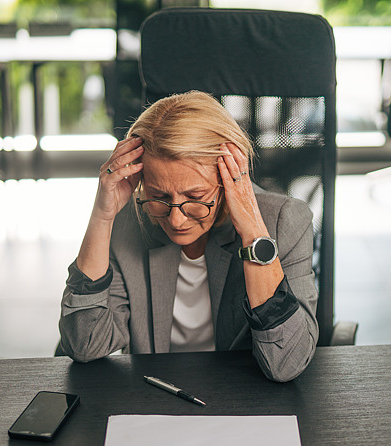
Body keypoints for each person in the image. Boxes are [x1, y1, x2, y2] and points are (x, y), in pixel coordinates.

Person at [58, 91, 318, 382]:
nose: (175, 219)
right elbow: (85, 344)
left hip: (245, 405)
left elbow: (286, 364)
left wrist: (253, 234)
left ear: (228, 176)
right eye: (158, 196)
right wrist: (102, 217)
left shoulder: (284, 222)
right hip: (156, 396)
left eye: (195, 197)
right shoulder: (127, 222)